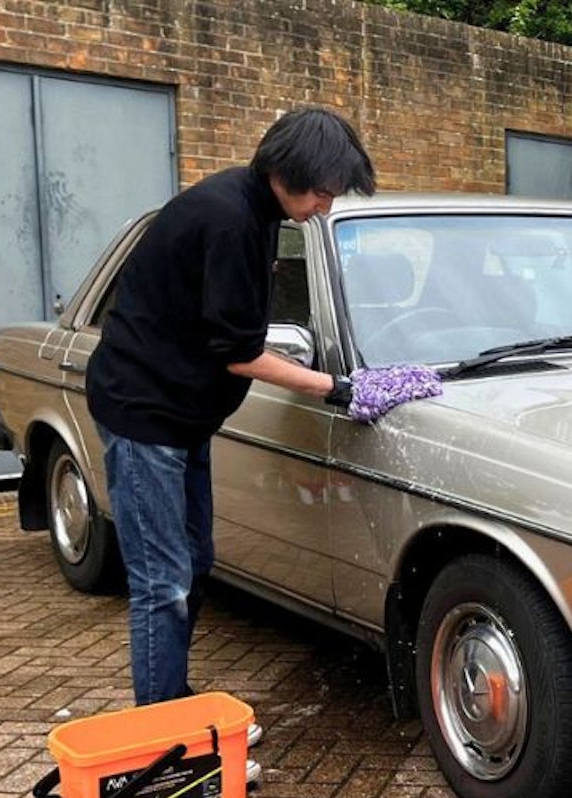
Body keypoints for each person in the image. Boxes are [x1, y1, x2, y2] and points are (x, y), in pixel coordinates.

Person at [85, 107, 374, 733]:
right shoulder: (228, 217)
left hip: (183, 417)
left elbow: (227, 327)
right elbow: (239, 351)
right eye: (323, 191)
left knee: (193, 560)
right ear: (290, 171)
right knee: (162, 581)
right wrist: (337, 386)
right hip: (145, 416)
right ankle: (161, 735)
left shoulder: (261, 212)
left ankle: (171, 700)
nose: (326, 206)